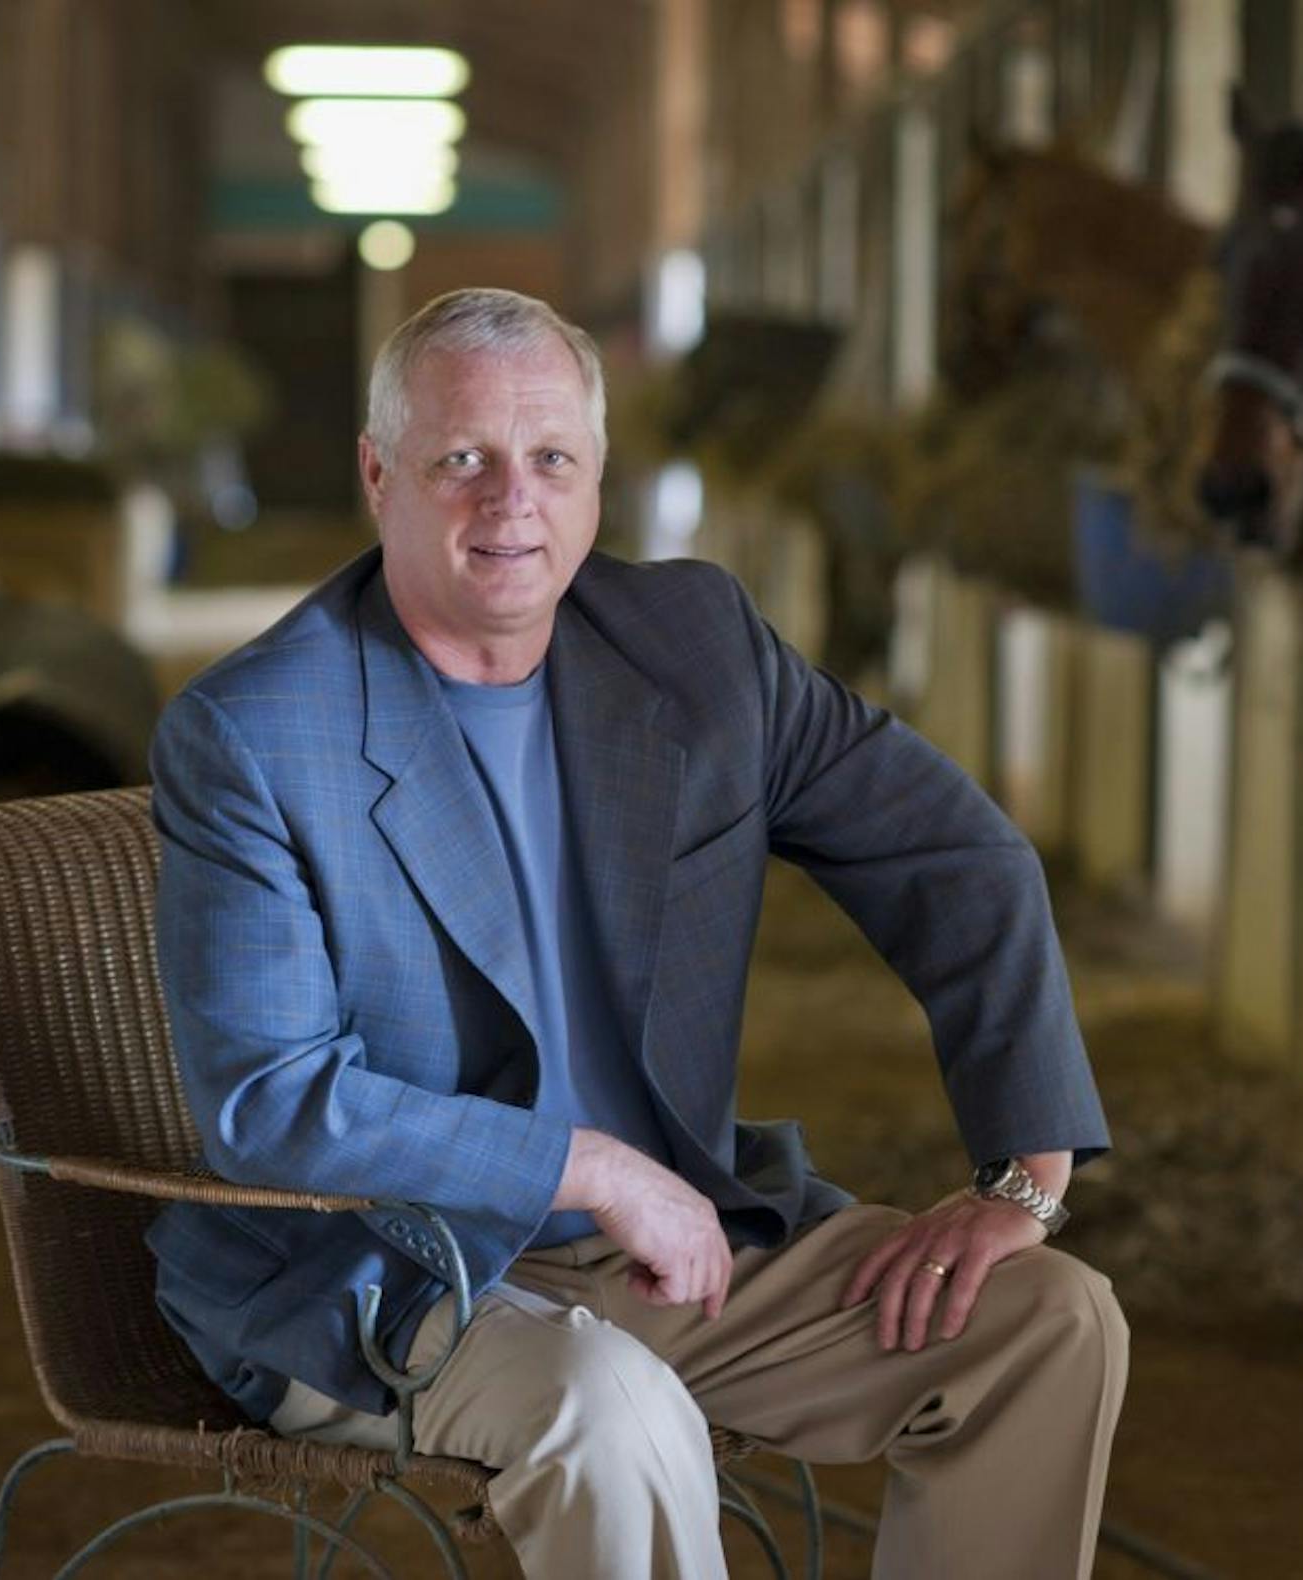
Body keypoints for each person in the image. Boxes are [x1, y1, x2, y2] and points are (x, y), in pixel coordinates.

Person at [146, 288, 1128, 1578]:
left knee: (1049, 1321)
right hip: (394, 1277)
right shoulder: (258, 732)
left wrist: (1023, 1177)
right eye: (462, 460)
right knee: (614, 1413)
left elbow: (954, 851)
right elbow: (273, 1100)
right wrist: (597, 1166)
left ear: (600, 476)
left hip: (686, 1261)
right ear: (380, 474)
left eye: (551, 457)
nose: (513, 502)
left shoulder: (694, 645)